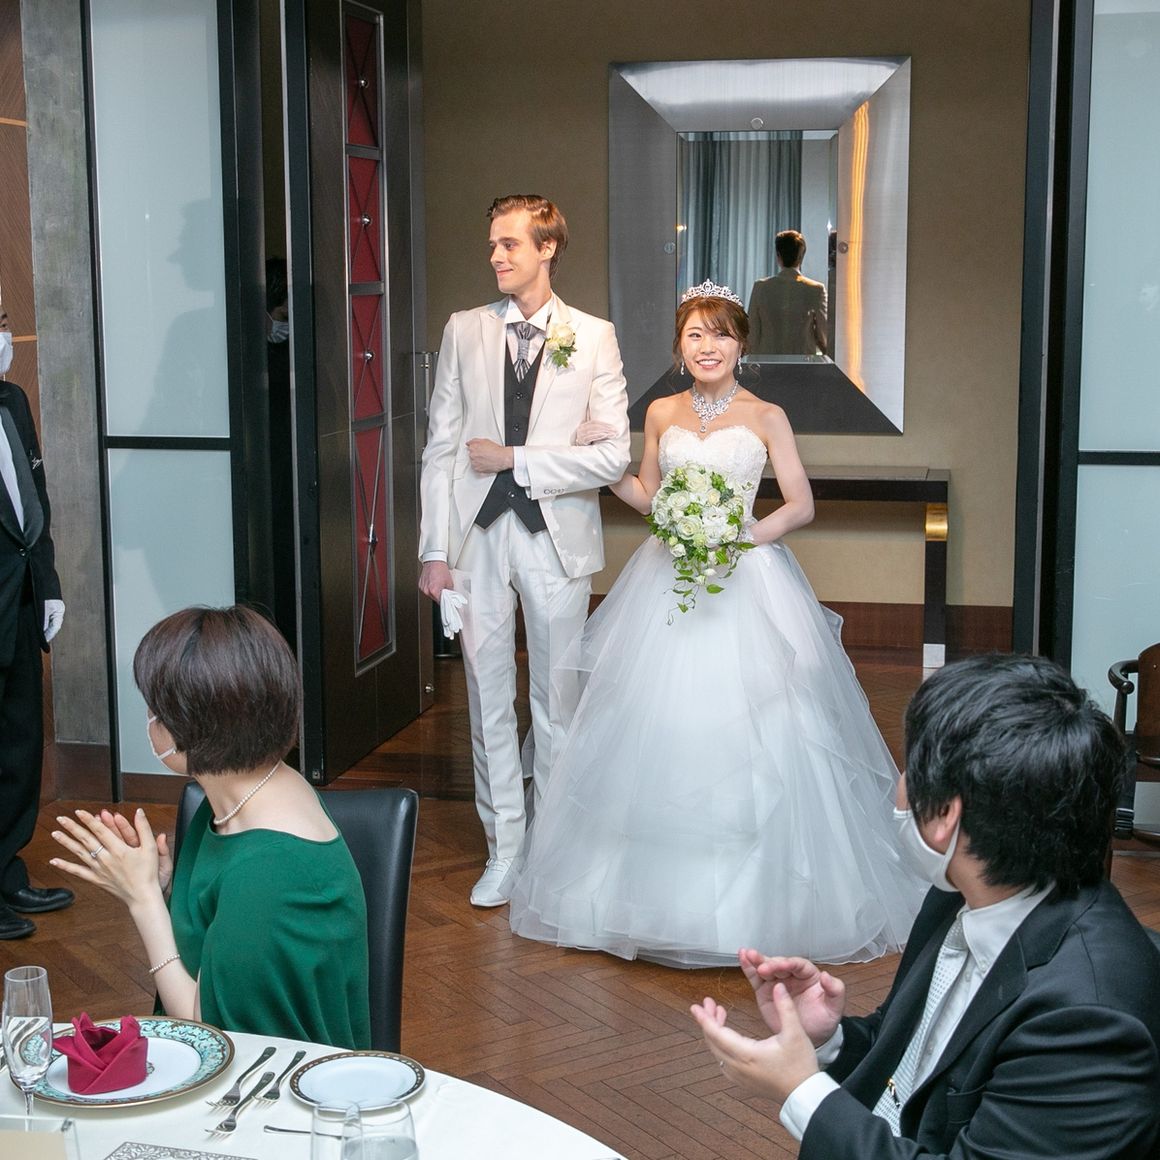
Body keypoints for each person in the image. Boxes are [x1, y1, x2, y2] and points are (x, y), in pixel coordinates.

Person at [506, 282, 923, 966]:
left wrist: (742, 534)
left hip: (744, 578)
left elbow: (801, 504)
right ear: (679, 346)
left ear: (741, 345)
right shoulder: (661, 411)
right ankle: (642, 903)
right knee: (657, 723)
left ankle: (759, 906)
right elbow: (648, 495)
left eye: (721, 334)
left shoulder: (767, 416)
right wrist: (604, 463)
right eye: (695, 334)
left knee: (760, 726)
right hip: (666, 578)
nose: (708, 346)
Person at [691, 653, 1160, 1159]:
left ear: (945, 816)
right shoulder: (961, 895)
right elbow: (918, 1061)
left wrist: (800, 1090)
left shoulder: (1086, 1025)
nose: (899, 786)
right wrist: (827, 1040)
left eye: (908, 769)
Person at [418, 194, 630, 907]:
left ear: (547, 248)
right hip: (475, 538)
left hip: (556, 540)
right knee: (486, 698)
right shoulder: (464, 329)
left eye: (509, 244)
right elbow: (441, 447)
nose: (496, 256)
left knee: (556, 701)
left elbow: (612, 458)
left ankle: (555, 852)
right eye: (492, 245)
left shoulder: (593, 337)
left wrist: (517, 459)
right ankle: (505, 849)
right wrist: (433, 551)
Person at [49, 605, 371, 1049]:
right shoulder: (239, 793)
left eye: (155, 710)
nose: (150, 721)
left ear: (191, 729)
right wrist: (164, 888)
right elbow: (221, 931)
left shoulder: (269, 870)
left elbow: (207, 1034)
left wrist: (142, 899)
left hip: (269, 1079)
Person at [1, 314, 70, 941]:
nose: (3, 338)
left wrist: (47, 583)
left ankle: (7, 870)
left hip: (20, 603)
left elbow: (34, 498)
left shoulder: (13, 400)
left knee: (21, 744)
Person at [747, 229, 828, 356]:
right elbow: (823, 335)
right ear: (801, 256)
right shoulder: (816, 289)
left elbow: (752, 334)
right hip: (802, 362)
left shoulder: (761, 287)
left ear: (778, 255)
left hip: (768, 362)